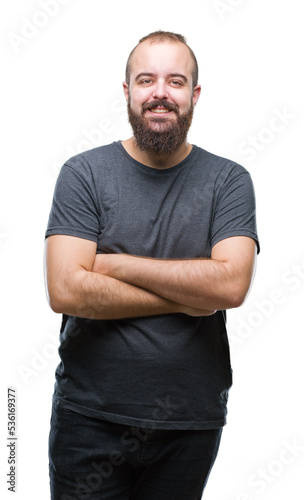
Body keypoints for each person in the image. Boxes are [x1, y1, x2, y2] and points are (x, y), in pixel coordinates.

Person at [45, 30, 259, 500]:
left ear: (194, 95)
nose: (160, 93)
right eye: (146, 80)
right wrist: (190, 295)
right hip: (88, 421)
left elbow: (230, 287)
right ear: (127, 92)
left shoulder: (229, 181)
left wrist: (113, 264)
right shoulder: (83, 174)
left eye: (176, 81)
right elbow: (66, 290)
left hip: (190, 424)